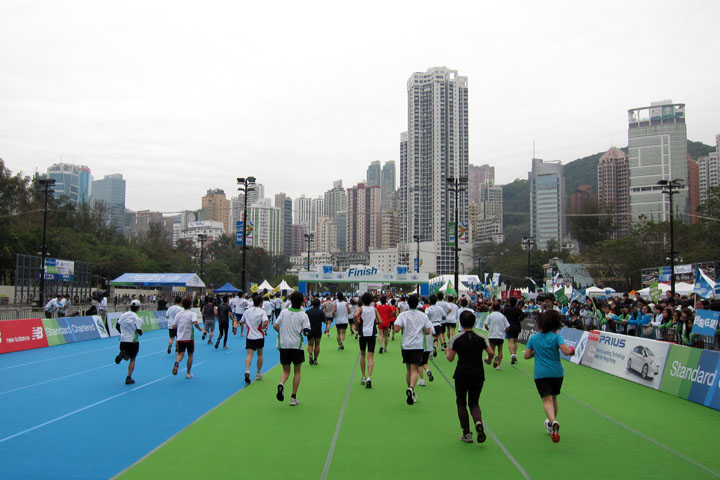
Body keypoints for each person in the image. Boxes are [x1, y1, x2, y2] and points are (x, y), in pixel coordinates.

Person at [524, 309, 576, 443]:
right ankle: (550, 424)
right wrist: (571, 351)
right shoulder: (556, 337)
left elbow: (526, 355)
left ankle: (552, 421)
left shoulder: (534, 338)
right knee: (553, 398)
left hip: (541, 374)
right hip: (557, 373)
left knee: (546, 400)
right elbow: (566, 351)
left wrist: (536, 352)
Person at [445, 310, 495, 443]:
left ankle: (466, 433)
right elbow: (491, 352)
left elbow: (450, 358)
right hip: (478, 373)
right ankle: (478, 422)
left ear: (460, 322)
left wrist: (446, 352)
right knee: (474, 402)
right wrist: (488, 360)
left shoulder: (456, 338)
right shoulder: (481, 337)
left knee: (461, 402)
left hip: (461, 373)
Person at [394, 294, 433, 405]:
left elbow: (396, 329)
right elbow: (427, 331)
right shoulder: (423, 315)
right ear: (417, 303)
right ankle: (411, 388)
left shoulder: (403, 315)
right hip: (417, 345)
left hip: (406, 345)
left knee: (408, 370)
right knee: (415, 370)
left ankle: (411, 389)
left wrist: (403, 327)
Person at [274, 291, 311, 406]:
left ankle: (281, 384)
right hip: (296, 345)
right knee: (297, 371)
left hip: (284, 345)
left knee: (286, 370)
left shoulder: (284, 312)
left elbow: (275, 325)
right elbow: (306, 331)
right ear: (301, 302)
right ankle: (293, 397)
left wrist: (282, 332)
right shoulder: (303, 314)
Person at [354, 291, 381, 388]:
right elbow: (380, 321)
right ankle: (369, 377)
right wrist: (374, 324)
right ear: (371, 300)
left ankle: (363, 376)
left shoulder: (361, 309)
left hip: (362, 333)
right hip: (372, 334)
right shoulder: (374, 309)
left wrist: (357, 325)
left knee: (362, 354)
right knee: (370, 356)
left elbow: (354, 315)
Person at [173, 297, 203, 379]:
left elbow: (174, 325)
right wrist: (199, 328)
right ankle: (188, 373)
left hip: (180, 338)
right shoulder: (192, 314)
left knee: (180, 354)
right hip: (189, 337)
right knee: (190, 355)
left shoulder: (178, 314)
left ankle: (176, 363)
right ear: (190, 305)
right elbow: (195, 322)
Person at [114, 299, 143, 385]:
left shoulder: (123, 315)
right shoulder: (137, 318)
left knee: (126, 357)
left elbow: (117, 325)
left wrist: (122, 332)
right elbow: (139, 330)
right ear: (138, 308)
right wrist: (141, 333)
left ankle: (122, 353)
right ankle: (128, 377)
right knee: (132, 359)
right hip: (133, 341)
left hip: (123, 339)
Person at [243, 294, 269, 383]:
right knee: (260, 354)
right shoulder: (262, 312)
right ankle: (258, 373)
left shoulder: (247, 311)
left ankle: (247, 370)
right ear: (261, 303)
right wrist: (264, 327)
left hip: (249, 336)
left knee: (249, 355)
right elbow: (266, 322)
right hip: (259, 336)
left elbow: (242, 321)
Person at [484, 302, 510, 370]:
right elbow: (507, 327)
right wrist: (504, 331)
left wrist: (489, 329)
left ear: (492, 308)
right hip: (500, 336)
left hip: (492, 335)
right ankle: (498, 365)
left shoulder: (490, 315)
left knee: (492, 350)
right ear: (499, 308)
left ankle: (493, 358)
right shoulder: (503, 316)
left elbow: (486, 325)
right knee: (500, 350)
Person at [503, 297, 524, 364]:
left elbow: (504, 317)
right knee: (515, 341)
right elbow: (522, 317)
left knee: (510, 341)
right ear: (516, 302)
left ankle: (512, 355)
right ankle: (515, 355)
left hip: (509, 326)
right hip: (517, 326)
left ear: (509, 302)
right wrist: (519, 319)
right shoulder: (518, 309)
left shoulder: (506, 309)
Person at [305, 298, 326, 365]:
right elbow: (325, 321)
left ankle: (310, 354)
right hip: (318, 330)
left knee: (310, 345)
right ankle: (315, 359)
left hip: (310, 330)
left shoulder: (308, 311)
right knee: (317, 345)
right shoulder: (321, 312)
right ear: (319, 304)